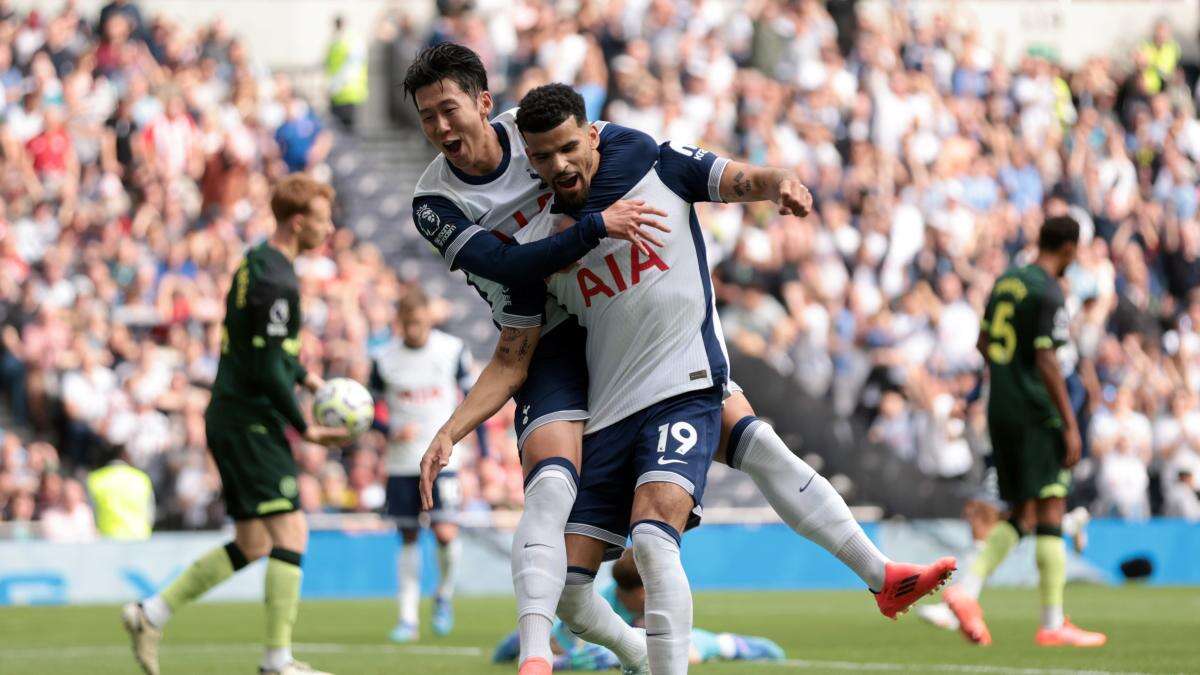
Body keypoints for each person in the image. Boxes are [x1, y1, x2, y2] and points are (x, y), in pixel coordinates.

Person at [421, 83, 955, 675]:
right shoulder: (542, 248)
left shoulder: (649, 162)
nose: (560, 165)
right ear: (530, 159)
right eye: (544, 158)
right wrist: (452, 429)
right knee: (573, 592)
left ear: (593, 133)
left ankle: (876, 574)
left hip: (686, 379)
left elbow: (734, 178)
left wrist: (777, 182)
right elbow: (512, 355)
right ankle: (646, 653)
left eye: (570, 147)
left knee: (657, 536)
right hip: (609, 405)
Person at [121, 174, 349, 675]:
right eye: (322, 217)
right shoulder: (277, 281)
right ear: (297, 221)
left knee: (254, 542)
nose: (329, 226)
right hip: (249, 421)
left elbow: (268, 353)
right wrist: (305, 427)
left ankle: (150, 613)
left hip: (233, 413)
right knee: (291, 531)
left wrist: (312, 384)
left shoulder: (257, 263)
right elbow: (268, 367)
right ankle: (277, 662)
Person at [943, 215, 1107, 647]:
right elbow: (1047, 360)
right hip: (1036, 411)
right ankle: (1052, 624)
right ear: (1070, 249)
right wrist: (1070, 423)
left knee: (1024, 512)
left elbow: (983, 343)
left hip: (1002, 410)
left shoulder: (1007, 282)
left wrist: (1005, 373)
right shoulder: (1048, 289)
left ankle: (968, 589)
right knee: (1052, 505)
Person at [370, 289, 475, 642]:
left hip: (445, 459)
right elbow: (366, 410)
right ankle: (408, 618)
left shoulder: (452, 350)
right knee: (408, 535)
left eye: (419, 322)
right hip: (401, 462)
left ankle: (444, 595)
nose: (414, 329)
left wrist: (484, 451)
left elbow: (471, 399)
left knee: (445, 532)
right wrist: (389, 429)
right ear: (399, 323)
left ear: (429, 318)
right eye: (408, 323)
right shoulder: (384, 359)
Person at [491, 548, 786, 670]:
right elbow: (561, 644)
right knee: (538, 641)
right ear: (626, 592)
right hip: (589, 634)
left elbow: (684, 647)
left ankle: (738, 645)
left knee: (687, 652)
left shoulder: (661, 599)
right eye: (642, 595)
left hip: (648, 638)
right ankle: (519, 635)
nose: (648, 599)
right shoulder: (599, 605)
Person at [87, 445, 153, 540]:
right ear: (124, 456)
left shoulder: (95, 479)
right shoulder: (142, 478)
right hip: (139, 538)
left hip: (107, 539)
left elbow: (91, 512)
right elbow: (150, 513)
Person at [324, 15, 367, 133]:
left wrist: (334, 86)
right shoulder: (338, 42)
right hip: (343, 91)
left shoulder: (347, 42)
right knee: (342, 130)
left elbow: (351, 67)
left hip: (346, 90)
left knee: (347, 130)